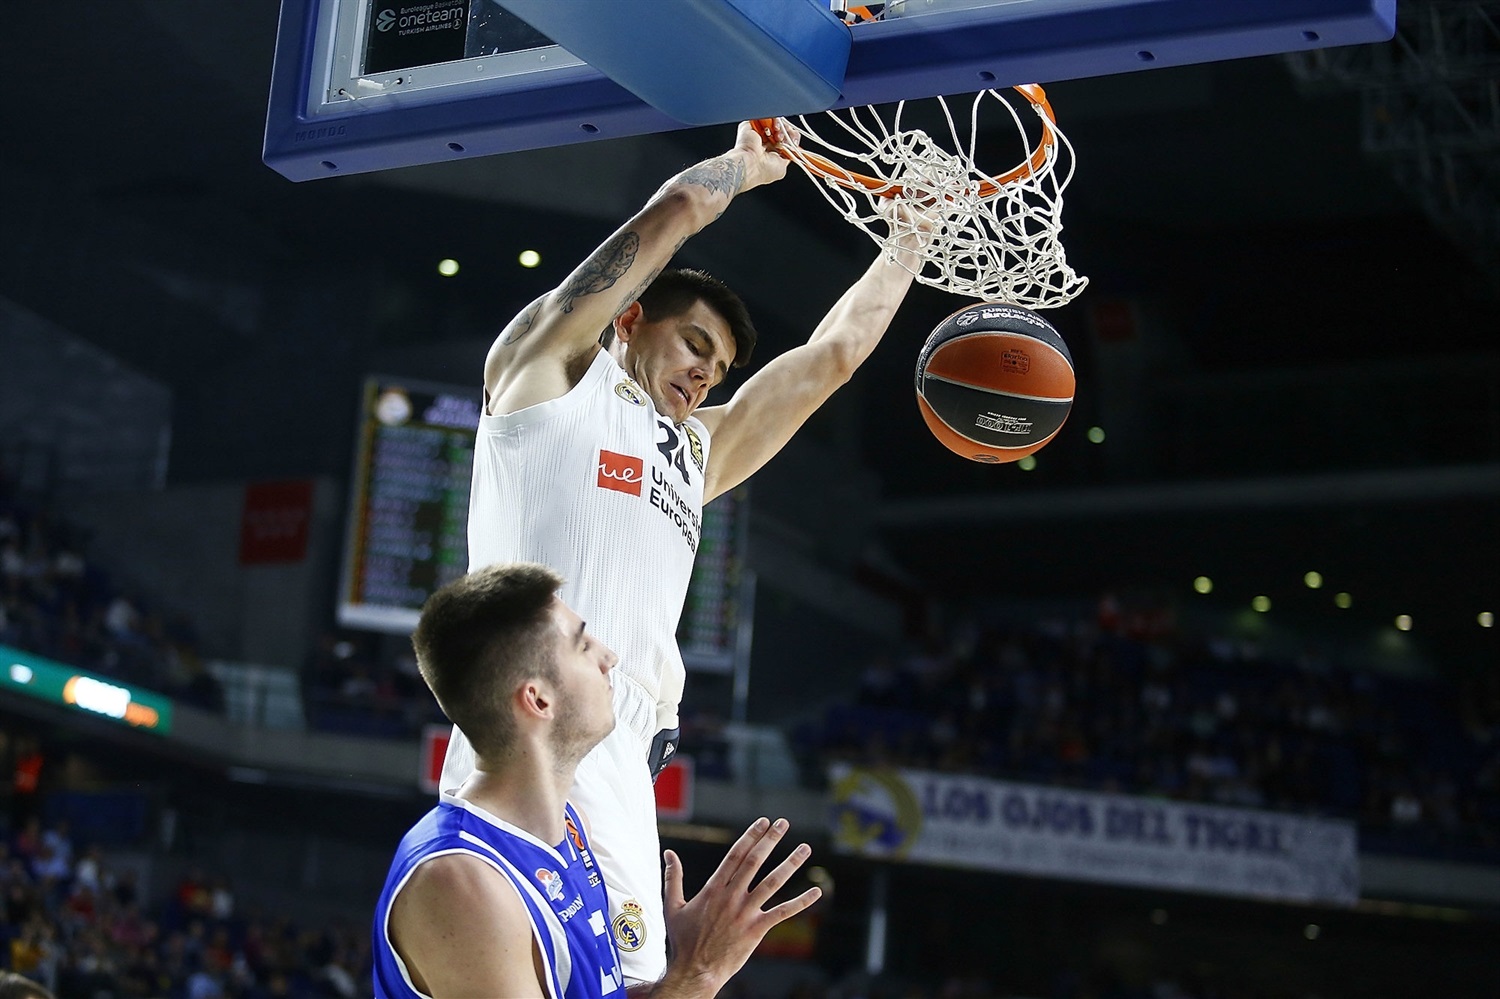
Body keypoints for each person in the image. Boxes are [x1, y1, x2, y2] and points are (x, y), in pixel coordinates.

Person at [440, 119, 924, 983]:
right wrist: (742, 167)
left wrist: (911, 239)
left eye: (720, 368)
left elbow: (834, 357)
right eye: (696, 344)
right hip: (535, 712)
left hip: (623, 746)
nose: (706, 374)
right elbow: (667, 217)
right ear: (629, 317)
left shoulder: (695, 449)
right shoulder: (550, 373)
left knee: (651, 987)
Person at [376, 563, 819, 998]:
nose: (609, 658)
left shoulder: (569, 828)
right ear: (538, 699)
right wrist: (698, 974)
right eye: (583, 645)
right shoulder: (460, 881)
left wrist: (688, 961)